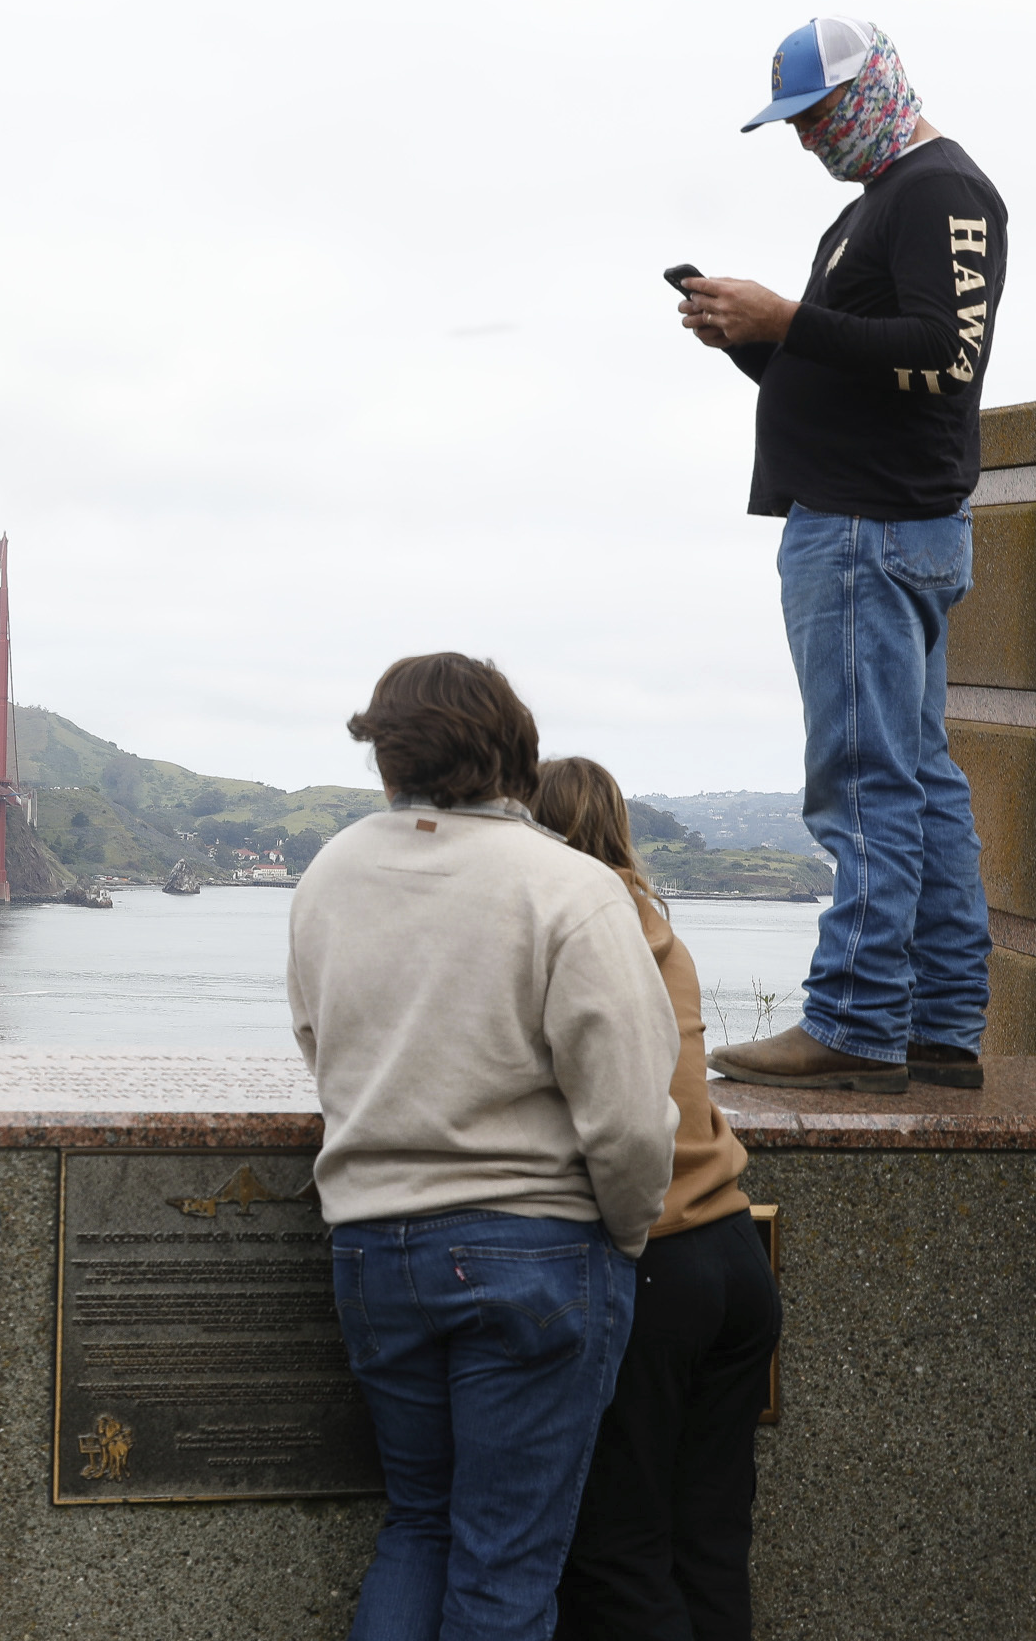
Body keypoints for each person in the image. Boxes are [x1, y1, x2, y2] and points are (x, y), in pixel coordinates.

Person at [289, 653, 679, 1641]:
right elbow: (629, 1114)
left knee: (418, 1526)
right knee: (505, 1567)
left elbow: (316, 1042)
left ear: (389, 754)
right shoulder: (570, 885)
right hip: (536, 1249)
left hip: (374, 1245)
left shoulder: (331, 872)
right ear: (517, 749)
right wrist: (626, 1236)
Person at [677, 19, 1001, 1095]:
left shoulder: (939, 192)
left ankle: (858, 1021)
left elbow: (941, 358)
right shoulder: (875, 207)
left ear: (873, 89)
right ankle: (942, 1026)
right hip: (878, 520)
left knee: (863, 781)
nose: (807, 139)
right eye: (795, 123)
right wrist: (756, 339)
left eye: (816, 114)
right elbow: (840, 374)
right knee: (919, 778)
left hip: (868, 530)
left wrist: (789, 314)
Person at [532, 758, 783, 1641]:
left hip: (655, 1265)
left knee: (619, 1553)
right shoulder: (654, 926)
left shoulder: (566, 932)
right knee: (711, 1540)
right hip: (734, 1255)